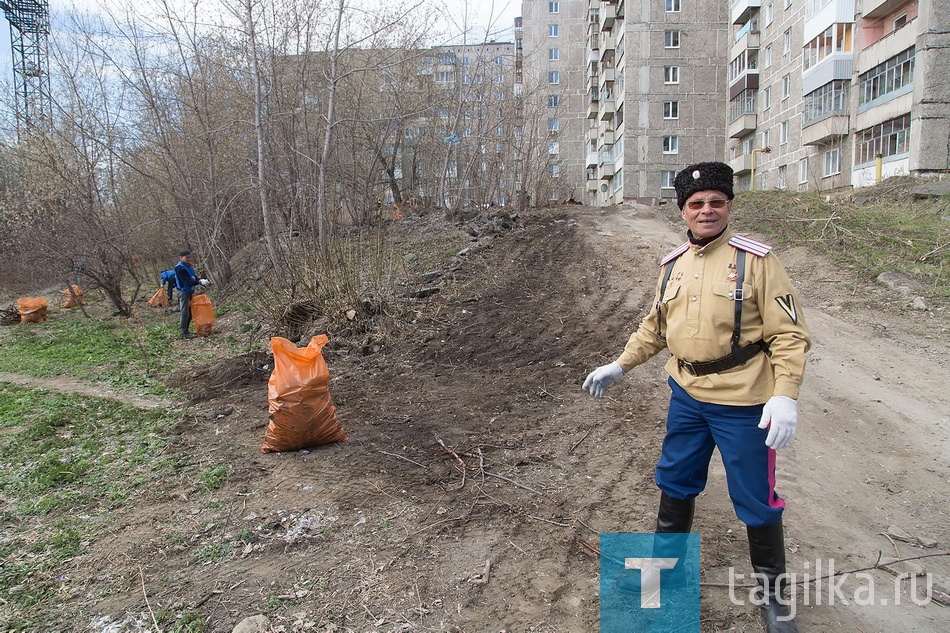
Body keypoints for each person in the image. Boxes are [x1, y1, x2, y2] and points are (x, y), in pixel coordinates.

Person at [583, 162, 810, 633]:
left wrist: (784, 394)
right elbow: (655, 328)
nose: (706, 210)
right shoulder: (673, 265)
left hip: (744, 400)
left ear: (728, 206)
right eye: (696, 203)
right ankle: (663, 577)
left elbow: (788, 335)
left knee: (755, 497)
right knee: (675, 480)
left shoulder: (758, 261)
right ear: (683, 211)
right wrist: (620, 364)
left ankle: (773, 598)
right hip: (686, 395)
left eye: (715, 202)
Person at [174, 250, 209, 340]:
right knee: (185, 312)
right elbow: (187, 281)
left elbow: (193, 277)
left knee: (189, 312)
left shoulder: (188, 266)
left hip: (189, 291)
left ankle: (186, 331)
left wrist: (200, 280)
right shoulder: (180, 268)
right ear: (181, 258)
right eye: (186, 257)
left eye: (189, 257)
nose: (188, 259)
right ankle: (183, 332)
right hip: (183, 292)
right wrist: (199, 282)